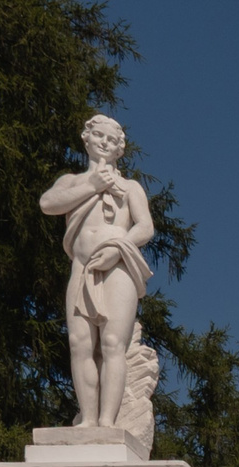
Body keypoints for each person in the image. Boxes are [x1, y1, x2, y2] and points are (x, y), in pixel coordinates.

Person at [40, 114, 155, 431]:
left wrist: (118, 248)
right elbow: (48, 204)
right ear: (86, 139)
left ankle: (107, 421)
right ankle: (88, 419)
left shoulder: (129, 187)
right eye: (99, 136)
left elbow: (145, 227)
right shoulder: (72, 181)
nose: (104, 142)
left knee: (113, 342)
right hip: (82, 266)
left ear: (119, 149)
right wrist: (93, 185)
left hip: (117, 265)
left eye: (111, 140)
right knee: (80, 343)